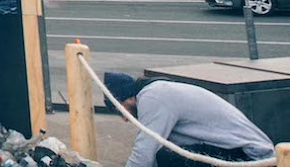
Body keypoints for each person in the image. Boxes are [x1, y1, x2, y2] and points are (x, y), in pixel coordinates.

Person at [104, 70, 274, 167]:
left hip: (250, 159)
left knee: (167, 158)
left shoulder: (152, 97)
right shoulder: (159, 90)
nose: (125, 119)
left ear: (127, 98)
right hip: (244, 153)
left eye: (121, 111)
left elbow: (144, 152)